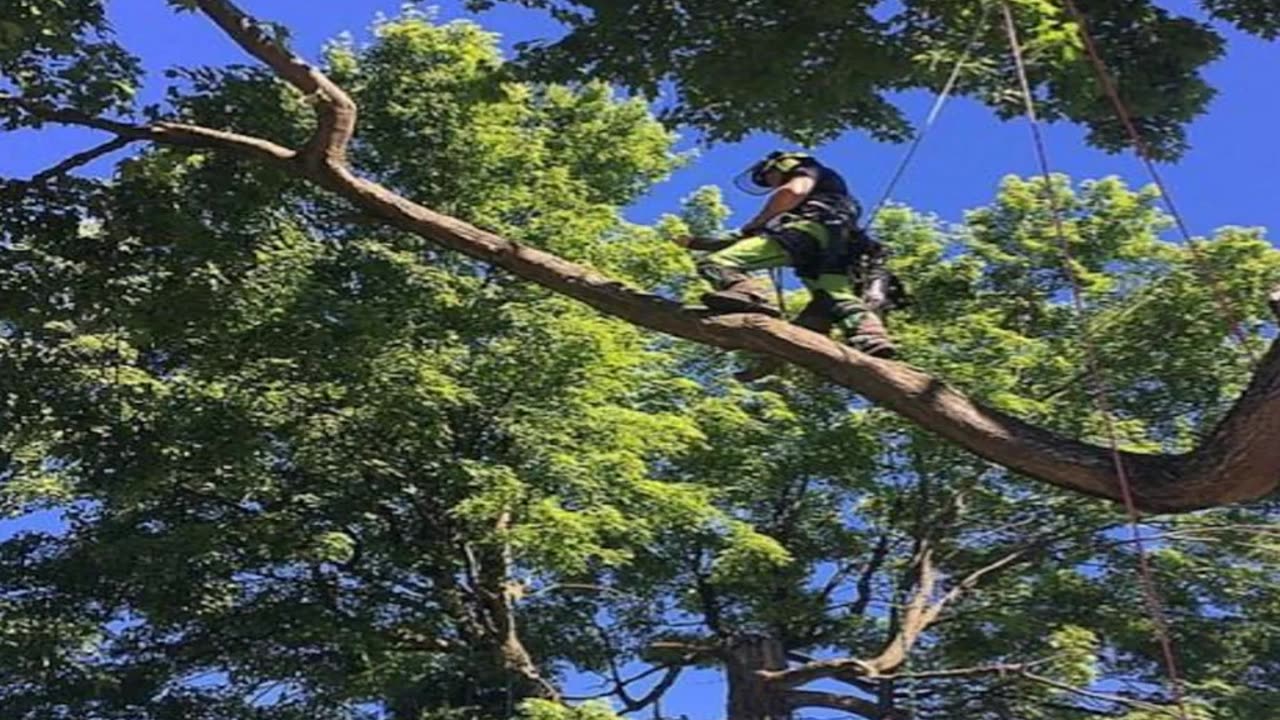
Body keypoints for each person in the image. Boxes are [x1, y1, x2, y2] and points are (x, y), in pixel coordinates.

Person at [675, 151, 900, 380]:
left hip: (807, 232)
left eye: (768, 176)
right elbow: (742, 239)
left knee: (716, 264)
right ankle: (870, 336)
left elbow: (793, 191)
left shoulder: (807, 171)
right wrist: (695, 242)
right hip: (838, 246)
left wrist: (758, 222)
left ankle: (749, 294)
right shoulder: (832, 198)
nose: (770, 184)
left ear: (782, 164)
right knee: (831, 296)